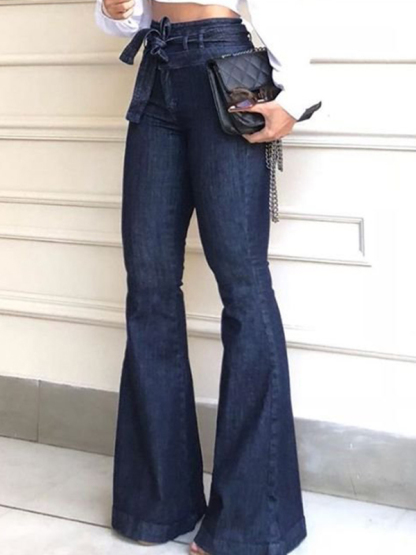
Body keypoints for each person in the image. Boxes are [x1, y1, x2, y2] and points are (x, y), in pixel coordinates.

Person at [94, 2, 322, 554]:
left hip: (228, 67)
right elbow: (125, 18)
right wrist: (116, 9)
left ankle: (250, 525)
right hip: (158, 71)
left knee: (243, 287)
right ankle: (157, 503)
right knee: (149, 287)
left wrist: (295, 95)